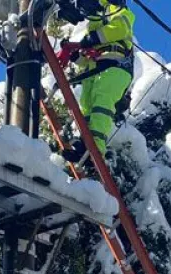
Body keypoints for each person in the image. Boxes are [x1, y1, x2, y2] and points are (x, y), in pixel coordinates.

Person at [56, 0, 134, 163]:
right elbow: (90, 51)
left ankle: (96, 147)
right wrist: (77, 57)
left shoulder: (120, 11)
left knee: (102, 101)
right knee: (87, 104)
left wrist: (91, 39)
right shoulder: (94, 23)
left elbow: (118, 29)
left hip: (116, 65)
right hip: (96, 67)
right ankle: (85, 145)